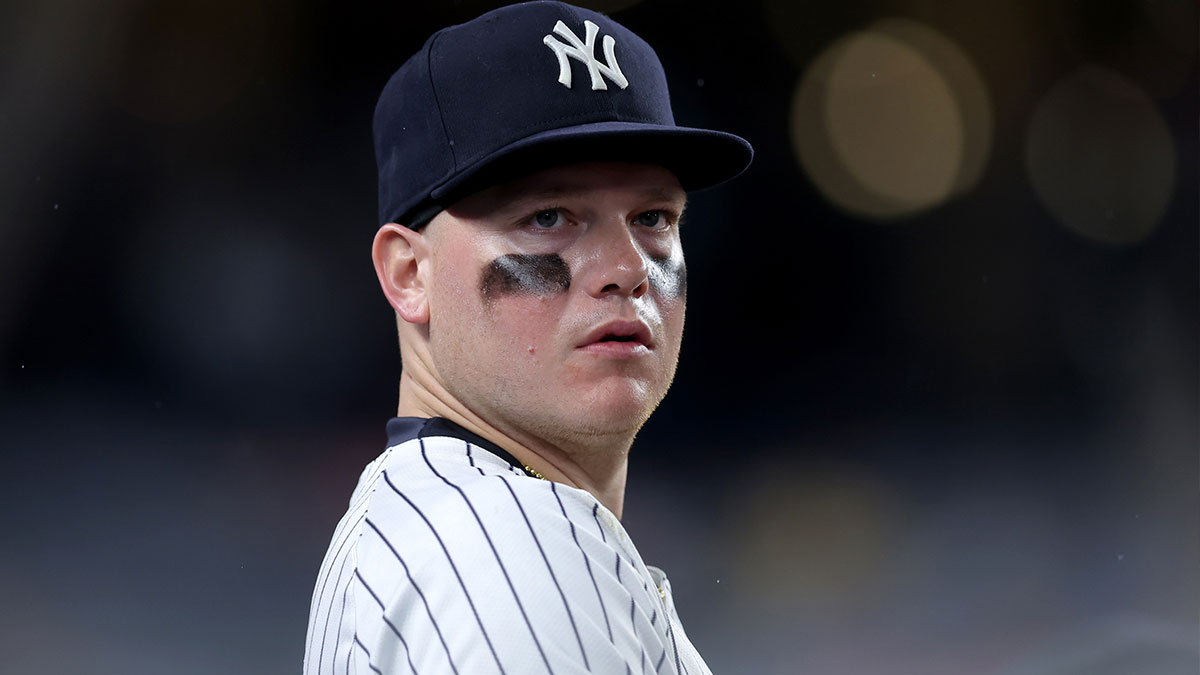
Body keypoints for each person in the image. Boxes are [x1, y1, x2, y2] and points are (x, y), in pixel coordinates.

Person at [303, 2, 751, 673]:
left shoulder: (447, 527)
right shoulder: (505, 551)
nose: (627, 268)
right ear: (408, 272)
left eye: (653, 215)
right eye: (548, 216)